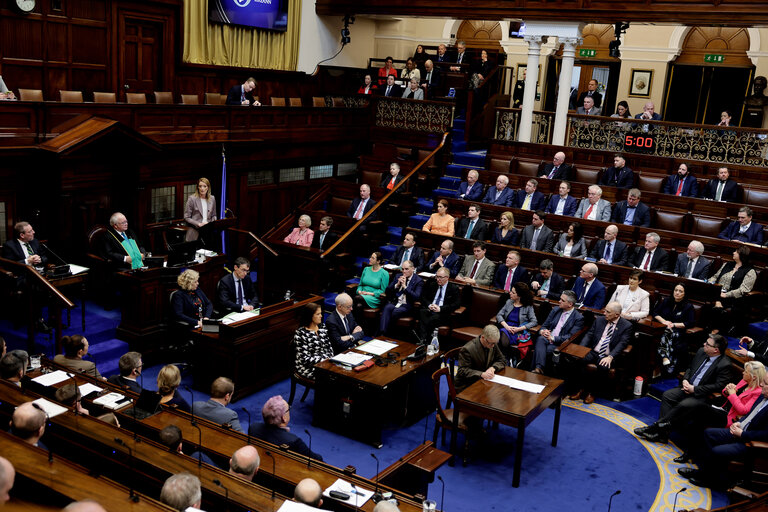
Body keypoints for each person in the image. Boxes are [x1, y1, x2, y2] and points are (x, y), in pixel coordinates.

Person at [634, 334, 731, 444]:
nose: (704, 344)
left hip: (701, 396)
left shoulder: (724, 364)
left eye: (707, 344)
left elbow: (718, 385)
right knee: (668, 395)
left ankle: (654, 428)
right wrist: (685, 380)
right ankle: (662, 434)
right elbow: (690, 368)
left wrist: (694, 389)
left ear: (716, 350)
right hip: (687, 387)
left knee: (684, 405)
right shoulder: (701, 351)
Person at [679, 373, 768, 489]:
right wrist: (740, 423)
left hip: (751, 443)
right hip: (740, 430)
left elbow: (766, 435)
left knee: (717, 450)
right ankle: (707, 473)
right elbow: (750, 414)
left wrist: (742, 434)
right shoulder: (763, 395)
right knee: (709, 434)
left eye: (765, 383)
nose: (761, 384)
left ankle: (707, 479)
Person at [569, 302, 633, 404]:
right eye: (605, 310)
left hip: (607, 355)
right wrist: (581, 348)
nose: (604, 313)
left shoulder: (626, 326)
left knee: (603, 366)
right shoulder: (599, 320)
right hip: (594, 351)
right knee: (577, 359)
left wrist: (611, 356)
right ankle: (580, 390)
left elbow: (622, 343)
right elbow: (589, 335)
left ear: (617, 315)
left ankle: (591, 393)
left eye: (608, 312)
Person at [249, 395, 323, 460]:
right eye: (288, 409)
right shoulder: (293, 441)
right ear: (283, 418)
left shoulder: (253, 428)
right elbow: (316, 459)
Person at [531, 291, 584, 374]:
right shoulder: (556, 310)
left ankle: (537, 369)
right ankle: (538, 370)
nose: (559, 301)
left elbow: (571, 337)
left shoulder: (578, 318)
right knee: (540, 338)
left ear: (570, 304)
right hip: (546, 339)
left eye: (562, 300)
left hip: (560, 344)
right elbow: (544, 325)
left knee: (541, 349)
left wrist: (553, 338)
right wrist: (543, 331)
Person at [708, 246, 757, 333]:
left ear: (742, 255)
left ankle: (715, 331)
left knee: (717, 306)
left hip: (734, 299)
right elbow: (715, 277)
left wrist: (726, 295)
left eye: (736, 252)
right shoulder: (727, 264)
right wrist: (709, 283)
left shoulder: (750, 271)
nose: (733, 253)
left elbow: (743, 290)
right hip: (716, 293)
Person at [655, 283, 696, 373]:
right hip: (663, 327)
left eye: (680, 291)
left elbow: (690, 323)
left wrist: (673, 325)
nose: (677, 293)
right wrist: (664, 322)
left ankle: (665, 358)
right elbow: (655, 313)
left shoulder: (688, 306)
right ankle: (666, 361)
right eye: (676, 290)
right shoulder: (666, 301)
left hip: (678, 331)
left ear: (684, 294)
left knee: (667, 333)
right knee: (665, 332)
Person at [454, 325, 506, 393]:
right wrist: (481, 374)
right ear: (483, 337)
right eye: (491, 343)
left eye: (495, 343)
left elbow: (502, 359)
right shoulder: (467, 349)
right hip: (467, 384)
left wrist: (493, 368)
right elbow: (462, 370)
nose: (493, 346)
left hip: (483, 382)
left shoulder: (492, 343)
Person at [378, 260, 423, 336]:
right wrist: (397, 285)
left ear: (413, 269)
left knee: (395, 311)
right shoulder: (398, 276)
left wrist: (405, 287)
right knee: (387, 307)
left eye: (406, 269)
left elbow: (416, 297)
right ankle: (382, 333)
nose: (404, 271)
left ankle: (388, 334)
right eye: (402, 269)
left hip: (407, 305)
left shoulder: (418, 281)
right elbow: (387, 291)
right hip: (396, 302)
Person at [495, 282, 537, 363]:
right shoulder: (509, 302)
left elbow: (534, 321)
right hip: (506, 327)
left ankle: (505, 358)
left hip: (518, 331)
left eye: (513, 292)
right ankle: (507, 358)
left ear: (519, 295)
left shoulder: (528, 306)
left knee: (501, 336)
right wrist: (506, 326)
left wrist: (519, 328)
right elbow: (499, 315)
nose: (510, 293)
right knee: (502, 333)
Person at [418, 267, 460, 342]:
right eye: (437, 276)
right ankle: (423, 339)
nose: (438, 279)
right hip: (430, 309)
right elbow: (423, 297)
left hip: (442, 313)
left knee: (432, 319)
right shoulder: (432, 285)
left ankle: (425, 340)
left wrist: (441, 308)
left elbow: (456, 304)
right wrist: (429, 305)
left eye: (440, 277)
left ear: (447, 277)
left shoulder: (453, 288)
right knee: (422, 312)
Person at [292, 303, 334, 379]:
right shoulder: (301, 333)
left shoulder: (322, 327)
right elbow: (305, 359)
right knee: (331, 378)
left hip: (325, 364)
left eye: (321, 313)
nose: (321, 316)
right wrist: (325, 360)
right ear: (310, 316)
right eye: (318, 314)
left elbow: (330, 349)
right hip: (308, 368)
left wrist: (328, 360)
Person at [183, 177, 217, 242]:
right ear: (197, 187)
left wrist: (212, 222)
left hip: (208, 231)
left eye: (204, 186)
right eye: (200, 186)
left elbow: (214, 215)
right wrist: (198, 224)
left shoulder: (212, 198)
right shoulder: (192, 199)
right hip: (195, 231)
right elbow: (186, 217)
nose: (202, 189)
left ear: (208, 187)